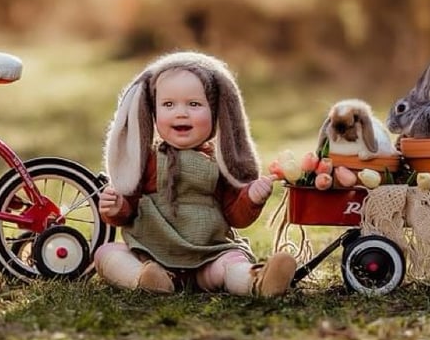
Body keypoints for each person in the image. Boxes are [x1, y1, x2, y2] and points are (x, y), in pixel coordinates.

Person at [94, 51, 297, 296]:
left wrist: (251, 198)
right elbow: (131, 206)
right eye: (168, 105)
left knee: (231, 262)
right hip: (152, 253)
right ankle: (145, 279)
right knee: (107, 253)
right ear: (153, 113)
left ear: (216, 112)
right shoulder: (146, 159)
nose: (181, 113)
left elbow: (236, 216)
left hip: (208, 255)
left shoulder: (220, 162)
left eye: (194, 104)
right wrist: (117, 209)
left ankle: (256, 281)